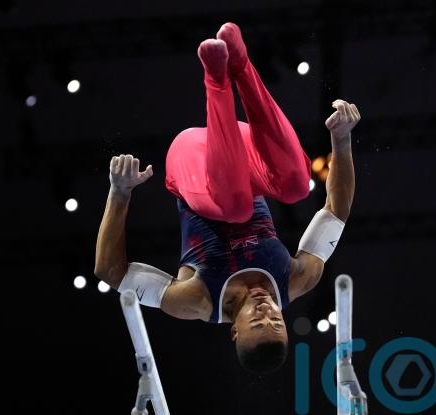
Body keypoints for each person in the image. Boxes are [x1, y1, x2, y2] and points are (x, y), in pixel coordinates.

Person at [94, 22, 360, 374]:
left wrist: (120, 193)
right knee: (297, 185)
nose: (267, 311)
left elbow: (110, 272)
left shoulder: (196, 300)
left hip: (191, 163)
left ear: (235, 331)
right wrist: (341, 140)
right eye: (277, 320)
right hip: (238, 154)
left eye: (258, 322)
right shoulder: (296, 279)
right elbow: (337, 210)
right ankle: (240, 64)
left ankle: (216, 79)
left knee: (236, 207)